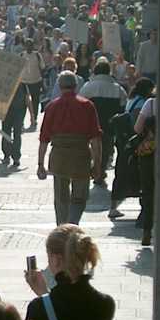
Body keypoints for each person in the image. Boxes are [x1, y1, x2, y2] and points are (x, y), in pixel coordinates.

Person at [38, 71, 102, 226]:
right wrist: (97, 165)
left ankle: (62, 227)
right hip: (81, 155)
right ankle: (73, 224)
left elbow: (44, 139)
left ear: (59, 86)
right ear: (76, 85)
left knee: (61, 197)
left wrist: (40, 164)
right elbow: (95, 140)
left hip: (59, 155)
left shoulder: (52, 106)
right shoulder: (87, 106)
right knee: (80, 196)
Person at [108, 78, 153, 219]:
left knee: (122, 174)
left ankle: (113, 207)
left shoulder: (132, 99)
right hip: (135, 143)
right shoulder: (143, 103)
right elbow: (137, 127)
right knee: (140, 175)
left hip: (123, 142)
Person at [80, 57, 127, 185]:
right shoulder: (117, 88)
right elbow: (123, 107)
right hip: (109, 125)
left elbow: (81, 106)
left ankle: (95, 169)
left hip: (91, 124)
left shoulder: (88, 87)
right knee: (106, 148)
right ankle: (101, 170)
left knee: (92, 147)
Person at [134, 95, 157, 246]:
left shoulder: (151, 103)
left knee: (148, 192)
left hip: (150, 153)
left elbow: (137, 128)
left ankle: (147, 231)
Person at [1, 81, 33, 168]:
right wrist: (32, 116)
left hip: (10, 111)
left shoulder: (7, 82)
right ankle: (14, 157)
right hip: (15, 111)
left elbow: (27, 99)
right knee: (15, 133)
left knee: (7, 133)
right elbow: (28, 99)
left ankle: (9, 156)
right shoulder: (21, 83)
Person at [20, 38, 45, 130]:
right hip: (24, 82)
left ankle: (34, 120)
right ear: (25, 46)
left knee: (35, 102)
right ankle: (21, 122)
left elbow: (42, 67)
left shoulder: (37, 55)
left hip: (36, 81)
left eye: (30, 45)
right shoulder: (22, 55)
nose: (29, 47)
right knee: (23, 103)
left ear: (33, 46)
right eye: (27, 45)